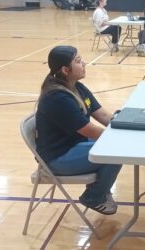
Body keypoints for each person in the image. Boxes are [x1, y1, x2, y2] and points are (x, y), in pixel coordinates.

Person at [35, 45, 122, 215]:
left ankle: (101, 190)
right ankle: (94, 196)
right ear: (65, 70)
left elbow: (102, 114)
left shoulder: (77, 87)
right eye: (78, 61)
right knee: (115, 151)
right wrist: (120, 137)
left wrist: (123, 125)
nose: (84, 64)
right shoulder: (57, 97)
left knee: (113, 145)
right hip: (57, 157)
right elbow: (90, 130)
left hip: (74, 144)